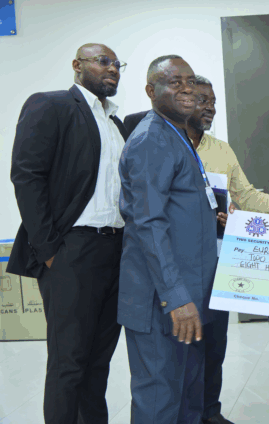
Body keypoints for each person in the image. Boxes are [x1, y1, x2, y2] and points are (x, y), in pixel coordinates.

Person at [8, 43, 128, 424]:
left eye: (117, 64)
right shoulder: (51, 105)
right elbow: (26, 175)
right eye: (103, 61)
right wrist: (49, 251)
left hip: (115, 251)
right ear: (77, 65)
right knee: (68, 364)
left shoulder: (116, 124)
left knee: (98, 365)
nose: (113, 68)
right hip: (72, 251)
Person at [186, 75, 269, 424]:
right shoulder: (166, 145)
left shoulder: (220, 149)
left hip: (218, 259)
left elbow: (248, 197)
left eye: (213, 102)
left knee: (215, 342)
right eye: (202, 100)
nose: (210, 108)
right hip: (181, 262)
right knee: (183, 348)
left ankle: (210, 412)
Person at [118, 55, 218, 423]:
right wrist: (176, 297)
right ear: (150, 90)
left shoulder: (177, 135)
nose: (187, 89)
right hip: (163, 302)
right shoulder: (151, 140)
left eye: (190, 81)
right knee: (160, 402)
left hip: (191, 297)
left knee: (188, 400)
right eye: (175, 82)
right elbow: (148, 223)